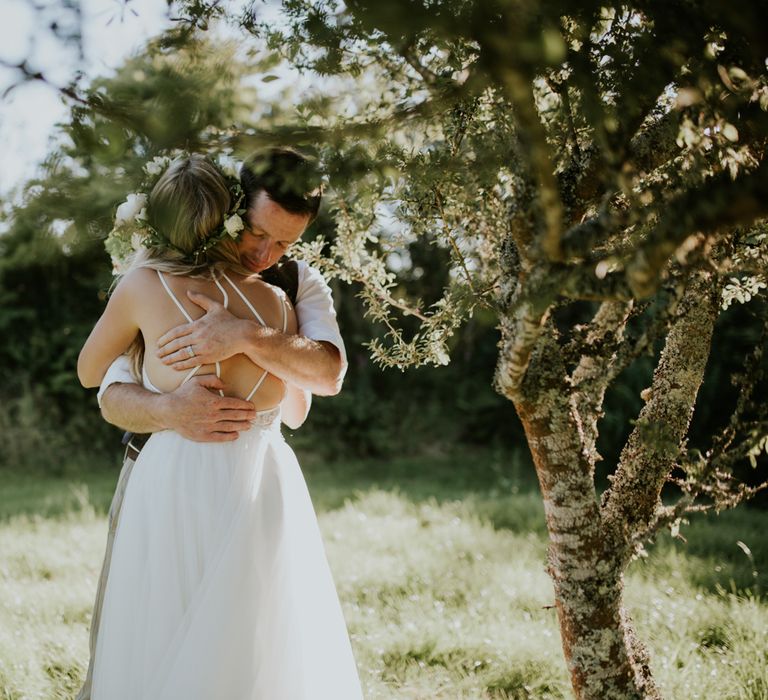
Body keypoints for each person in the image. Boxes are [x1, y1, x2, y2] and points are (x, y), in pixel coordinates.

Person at [76, 153, 363, 698]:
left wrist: (245, 336)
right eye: (257, 234)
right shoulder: (263, 298)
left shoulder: (295, 285)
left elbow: (328, 373)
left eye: (284, 244)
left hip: (240, 480)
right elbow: (113, 394)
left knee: (242, 633)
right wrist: (171, 410)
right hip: (167, 463)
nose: (266, 254)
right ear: (231, 207)